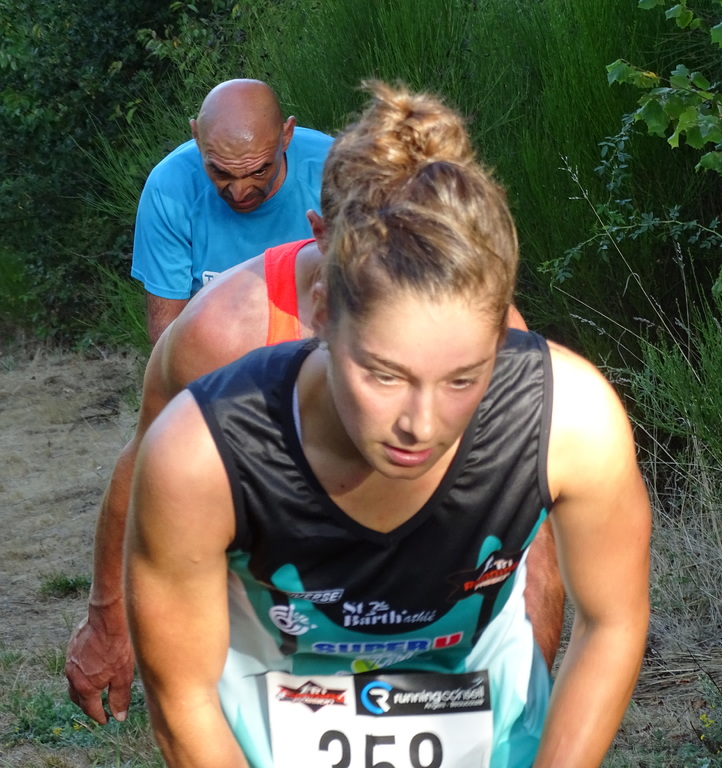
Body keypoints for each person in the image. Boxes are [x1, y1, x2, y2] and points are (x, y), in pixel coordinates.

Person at [125, 81, 650, 768]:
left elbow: (612, 621)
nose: (420, 425)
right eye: (383, 375)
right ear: (320, 312)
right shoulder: (201, 449)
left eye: (463, 378)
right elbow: (183, 695)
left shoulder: (572, 416)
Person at [65, 228, 555, 726]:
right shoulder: (223, 329)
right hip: (271, 632)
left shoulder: (491, 333)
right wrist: (108, 618)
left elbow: (530, 531)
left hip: (424, 616)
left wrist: (523, 703)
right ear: (325, 228)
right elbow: (148, 467)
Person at [132, 78, 334, 343]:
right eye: (220, 172)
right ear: (197, 138)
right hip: (218, 354)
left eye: (259, 171)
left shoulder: (338, 172)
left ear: (286, 136)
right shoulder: (169, 188)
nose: (240, 193)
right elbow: (166, 337)